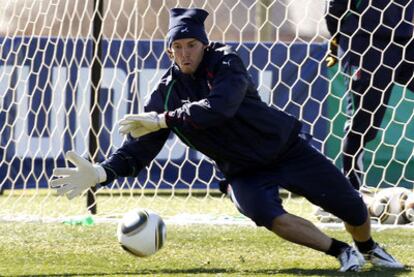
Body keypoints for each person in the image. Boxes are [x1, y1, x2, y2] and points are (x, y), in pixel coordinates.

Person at [51, 8, 404, 272]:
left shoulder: (227, 61)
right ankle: (342, 252)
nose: (186, 52)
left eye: (192, 44)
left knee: (353, 208)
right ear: (169, 51)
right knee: (268, 214)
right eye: (178, 46)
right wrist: (102, 173)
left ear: (204, 45)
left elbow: (220, 108)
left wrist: (163, 120)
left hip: (287, 149)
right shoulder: (165, 93)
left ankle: (370, 248)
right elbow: (143, 145)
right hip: (242, 171)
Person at [325, 0, 414, 190]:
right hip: (364, 41)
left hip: (405, 39)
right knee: (363, 121)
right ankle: (348, 192)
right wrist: (337, 39)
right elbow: (335, 7)